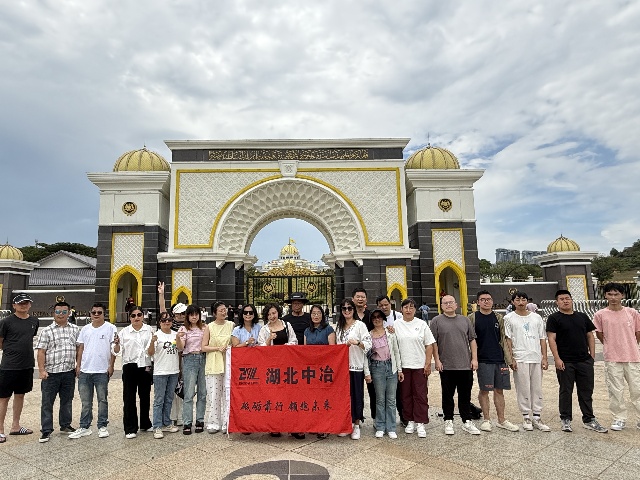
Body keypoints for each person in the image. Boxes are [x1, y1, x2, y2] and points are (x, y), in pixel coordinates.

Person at [547, 289, 607, 433]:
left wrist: (592, 356)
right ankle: (565, 419)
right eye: (561, 299)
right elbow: (551, 339)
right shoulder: (554, 318)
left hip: (584, 361)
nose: (565, 301)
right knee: (566, 391)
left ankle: (589, 419)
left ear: (571, 300)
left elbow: (590, 336)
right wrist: (557, 359)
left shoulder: (582, 316)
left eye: (567, 298)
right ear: (557, 302)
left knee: (586, 391)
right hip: (565, 362)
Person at [468, 291, 519, 433]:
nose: (486, 301)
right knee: (485, 390)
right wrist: (473, 359)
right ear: (478, 302)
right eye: (483, 299)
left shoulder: (498, 318)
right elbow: (470, 340)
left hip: (499, 359)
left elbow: (504, 339)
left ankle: (502, 420)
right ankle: (486, 420)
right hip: (483, 360)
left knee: (499, 390)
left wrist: (510, 359)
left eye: (489, 299)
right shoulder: (472, 318)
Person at [593, 282, 640, 431]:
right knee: (615, 390)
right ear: (605, 295)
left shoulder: (632, 313)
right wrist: (611, 345)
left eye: (616, 294)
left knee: (637, 389)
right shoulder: (600, 315)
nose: (613, 298)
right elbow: (599, 334)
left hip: (632, 356)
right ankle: (619, 418)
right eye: (610, 294)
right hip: (612, 357)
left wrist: (631, 345)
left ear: (622, 295)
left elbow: (637, 333)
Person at [431, 295, 480, 435]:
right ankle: (448, 420)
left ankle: (467, 421)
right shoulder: (436, 321)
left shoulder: (465, 320)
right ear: (441, 306)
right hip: (446, 366)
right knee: (447, 395)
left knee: (465, 395)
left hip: (465, 365)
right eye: (445, 303)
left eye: (451, 302)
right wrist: (437, 360)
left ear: (456, 304)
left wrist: (474, 359)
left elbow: (472, 340)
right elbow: (433, 342)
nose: (448, 305)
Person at [69, 303, 117, 439]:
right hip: (85, 370)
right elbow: (81, 348)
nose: (96, 314)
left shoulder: (110, 328)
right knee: (86, 402)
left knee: (102, 400)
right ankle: (84, 426)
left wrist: (111, 365)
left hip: (101, 370)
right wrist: (78, 365)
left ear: (104, 314)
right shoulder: (85, 329)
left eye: (99, 312)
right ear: (90, 314)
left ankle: (102, 426)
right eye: (93, 312)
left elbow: (114, 348)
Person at [504, 291, 550, 432]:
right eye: (517, 300)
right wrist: (511, 358)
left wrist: (544, 357)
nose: (521, 302)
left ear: (527, 301)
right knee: (523, 387)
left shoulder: (536, 318)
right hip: (520, 357)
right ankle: (526, 417)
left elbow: (542, 338)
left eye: (523, 299)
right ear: (513, 302)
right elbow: (508, 339)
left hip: (535, 357)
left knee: (537, 387)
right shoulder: (508, 318)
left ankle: (537, 416)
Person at [35, 301, 80, 442]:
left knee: (67, 400)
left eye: (64, 312)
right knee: (47, 403)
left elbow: (79, 348)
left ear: (69, 313)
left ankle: (65, 425)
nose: (61, 314)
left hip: (68, 372)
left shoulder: (75, 329)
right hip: (51, 373)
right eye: (58, 312)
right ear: (53, 313)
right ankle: (46, 429)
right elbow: (41, 352)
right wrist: (41, 370)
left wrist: (78, 365)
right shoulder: (46, 331)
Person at [0, 293, 39, 443]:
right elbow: (1, 342)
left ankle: (15, 426)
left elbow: (30, 338)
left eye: (26, 303)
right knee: (4, 398)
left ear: (30, 305)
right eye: (20, 303)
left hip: (27, 364)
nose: (24, 305)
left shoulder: (34, 321)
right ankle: (0, 429)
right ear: (14, 305)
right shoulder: (6, 322)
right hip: (9, 366)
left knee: (20, 395)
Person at [394, 298, 435, 438]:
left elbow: (429, 344)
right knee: (405, 395)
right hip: (403, 366)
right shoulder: (396, 325)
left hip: (419, 365)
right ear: (401, 309)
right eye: (405, 307)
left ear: (415, 310)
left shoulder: (421, 324)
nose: (408, 310)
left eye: (411, 307)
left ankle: (420, 422)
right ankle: (410, 420)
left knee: (420, 394)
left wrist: (428, 363)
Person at [257, 303, 298, 437]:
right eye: (269, 314)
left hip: (287, 366)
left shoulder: (287, 325)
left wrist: (286, 347)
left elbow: (294, 341)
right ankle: (274, 426)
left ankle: (292, 427)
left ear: (278, 312)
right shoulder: (264, 329)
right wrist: (269, 339)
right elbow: (260, 348)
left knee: (289, 396)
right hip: (272, 368)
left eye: (274, 313)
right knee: (273, 396)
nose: (272, 316)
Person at [112, 305, 153, 439]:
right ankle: (130, 428)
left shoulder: (149, 330)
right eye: (133, 315)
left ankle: (145, 423)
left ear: (143, 316)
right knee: (129, 397)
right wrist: (116, 344)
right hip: (130, 366)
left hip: (145, 365)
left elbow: (152, 348)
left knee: (145, 396)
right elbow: (116, 351)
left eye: (139, 315)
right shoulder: (124, 332)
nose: (136, 318)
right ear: (129, 317)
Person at [335, 298, 371, 440]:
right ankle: (347, 423)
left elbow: (368, 344)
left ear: (354, 310)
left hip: (356, 366)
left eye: (349, 308)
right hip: (342, 368)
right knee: (344, 396)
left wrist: (357, 342)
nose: (347, 311)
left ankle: (356, 424)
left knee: (356, 396)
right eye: (344, 308)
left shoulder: (360, 325)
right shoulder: (339, 327)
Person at [365, 309, 403, 439]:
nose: (377, 319)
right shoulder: (369, 335)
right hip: (377, 367)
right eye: (374, 317)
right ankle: (380, 426)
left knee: (391, 399)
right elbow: (366, 355)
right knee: (380, 399)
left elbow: (396, 351)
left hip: (391, 366)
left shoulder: (390, 333)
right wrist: (367, 372)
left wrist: (399, 369)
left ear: (383, 319)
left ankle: (391, 427)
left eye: (379, 317)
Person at [302, 304, 336, 439]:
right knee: (312, 398)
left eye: (318, 313)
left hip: (324, 369)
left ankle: (324, 426)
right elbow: (304, 350)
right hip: (311, 370)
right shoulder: (307, 331)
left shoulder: (329, 330)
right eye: (313, 313)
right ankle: (313, 424)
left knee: (324, 398)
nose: (316, 315)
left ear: (323, 315)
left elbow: (333, 350)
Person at [201, 301, 234, 434]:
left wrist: (228, 347)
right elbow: (203, 347)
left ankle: (227, 422)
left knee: (227, 394)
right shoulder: (209, 327)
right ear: (214, 313)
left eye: (225, 309)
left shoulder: (231, 325)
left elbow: (235, 342)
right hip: (214, 362)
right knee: (214, 394)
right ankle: (213, 422)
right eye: (221, 310)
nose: (224, 312)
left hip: (228, 362)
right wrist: (217, 348)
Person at [147, 312, 180, 439]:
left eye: (169, 320)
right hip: (160, 372)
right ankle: (157, 426)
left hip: (173, 371)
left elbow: (180, 349)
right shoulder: (156, 335)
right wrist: (152, 342)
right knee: (159, 400)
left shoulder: (175, 334)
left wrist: (178, 339)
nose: (167, 322)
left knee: (169, 398)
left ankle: (167, 422)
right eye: (164, 320)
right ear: (159, 322)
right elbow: (150, 353)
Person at [158, 281, 186, 427]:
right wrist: (161, 294)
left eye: (183, 313)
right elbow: (162, 310)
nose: (181, 315)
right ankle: (171, 416)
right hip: (171, 359)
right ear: (174, 314)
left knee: (182, 388)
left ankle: (180, 416)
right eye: (179, 313)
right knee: (171, 390)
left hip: (184, 360)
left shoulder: (188, 325)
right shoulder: (170, 324)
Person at [176, 304, 207, 435]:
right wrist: (178, 337)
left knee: (202, 392)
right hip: (189, 359)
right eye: (191, 315)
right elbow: (181, 347)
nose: (194, 317)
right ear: (187, 316)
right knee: (189, 393)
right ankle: (187, 422)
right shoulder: (184, 329)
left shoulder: (204, 328)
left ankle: (200, 420)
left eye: (196, 314)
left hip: (203, 359)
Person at [376, 294, 404, 425]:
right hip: (382, 360)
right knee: (381, 395)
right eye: (381, 305)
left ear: (390, 304)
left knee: (399, 392)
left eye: (386, 304)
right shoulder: (376, 318)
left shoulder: (398, 316)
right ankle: (381, 420)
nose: (384, 307)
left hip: (398, 356)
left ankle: (403, 417)